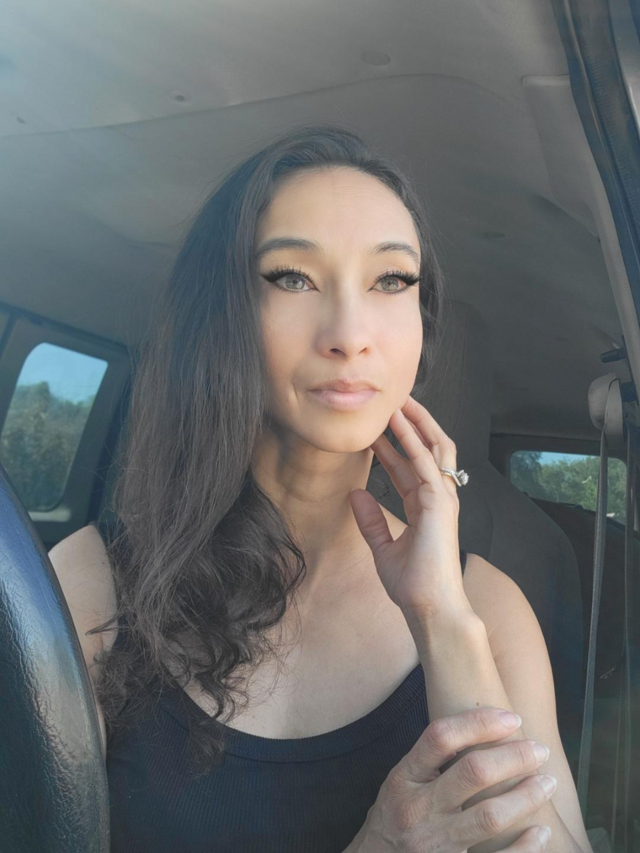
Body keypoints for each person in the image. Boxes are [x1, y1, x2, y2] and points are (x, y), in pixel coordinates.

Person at [48, 125, 593, 853]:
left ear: (421, 329)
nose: (349, 333)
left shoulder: (487, 608)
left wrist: (440, 617)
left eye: (391, 280)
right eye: (292, 277)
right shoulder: (89, 584)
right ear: (220, 317)